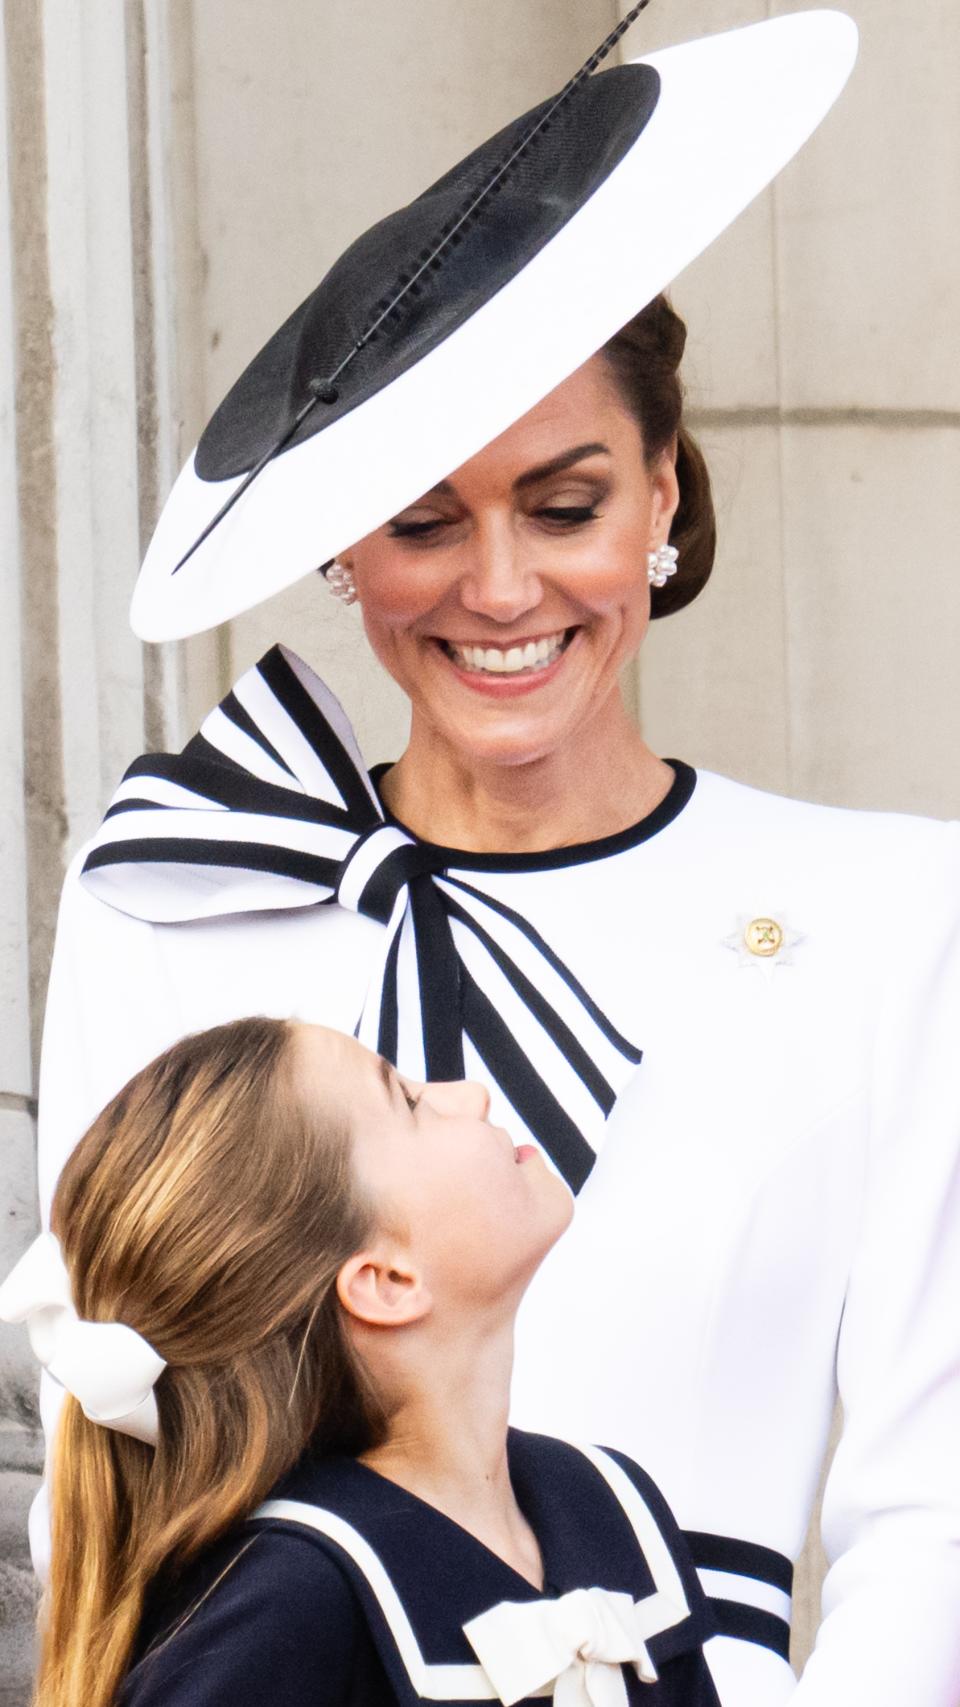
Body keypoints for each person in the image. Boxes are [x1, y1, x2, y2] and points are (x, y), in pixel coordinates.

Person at [33, 10, 960, 1707]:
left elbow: (942, 1495)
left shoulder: (900, 914)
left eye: (564, 500)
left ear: (664, 495)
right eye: (424, 518)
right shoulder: (176, 890)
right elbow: (111, 1432)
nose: (504, 589)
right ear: (346, 549)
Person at [3, 1015, 723, 1706]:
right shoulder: (286, 1601)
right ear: (387, 1281)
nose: (468, 1094)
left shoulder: (605, 1509)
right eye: (409, 1101)